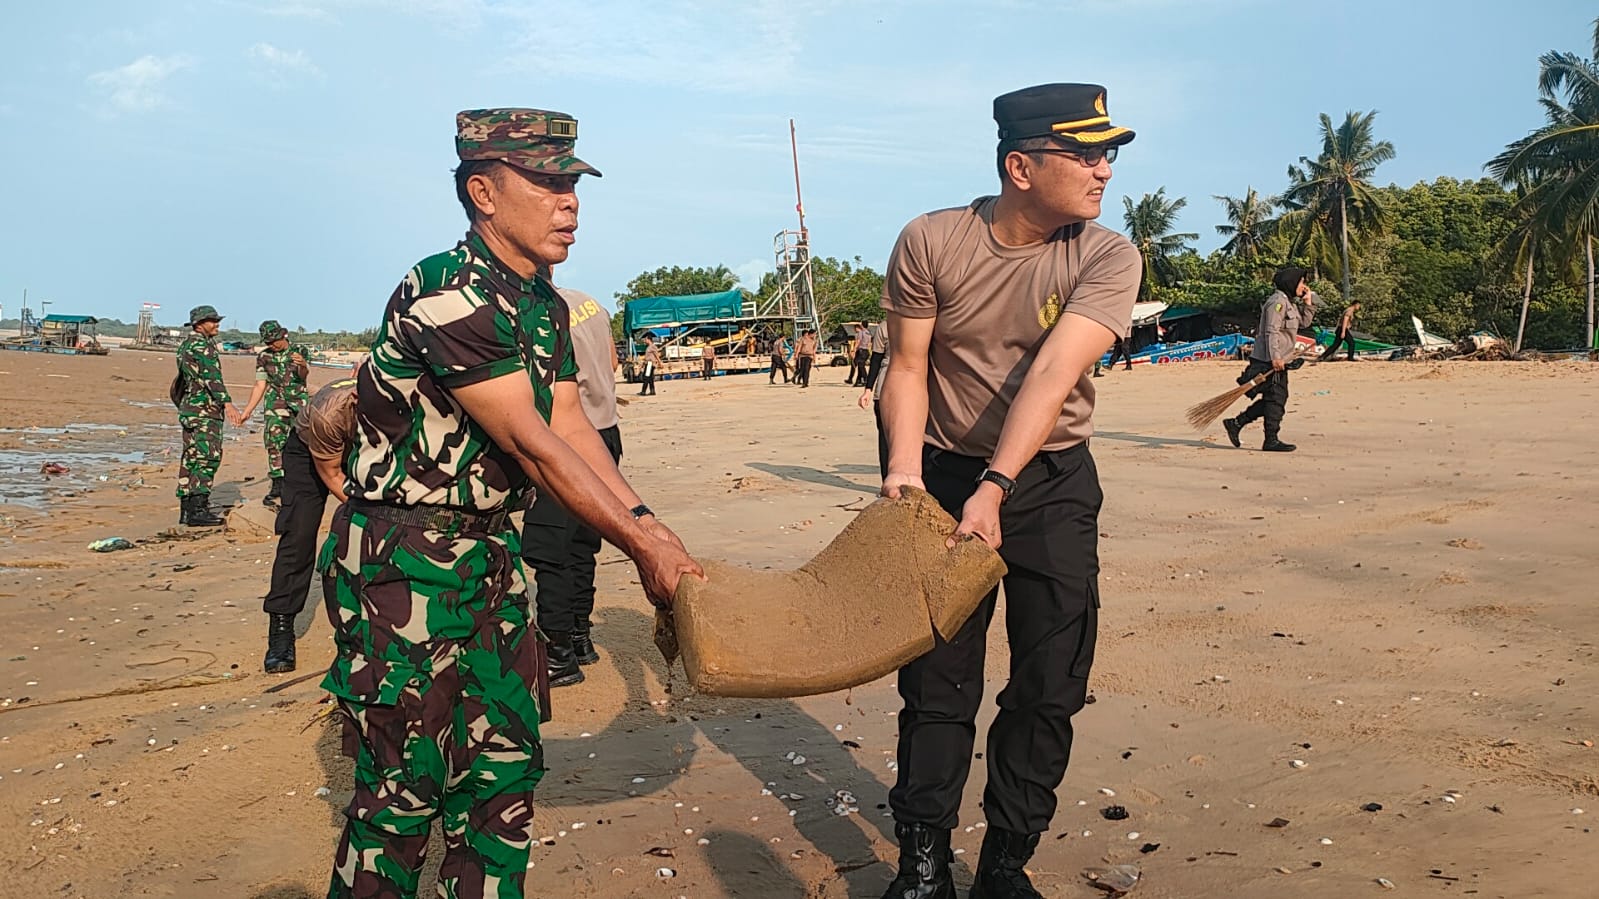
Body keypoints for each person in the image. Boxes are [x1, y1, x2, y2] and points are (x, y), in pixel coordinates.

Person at [320, 107, 702, 899]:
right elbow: (530, 440)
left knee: (500, 782)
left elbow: (573, 422)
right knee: (401, 796)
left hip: (493, 559)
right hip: (403, 569)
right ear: (483, 192)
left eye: (573, 183)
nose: (570, 202)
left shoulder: (545, 305)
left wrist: (650, 525)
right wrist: (642, 549)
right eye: (549, 181)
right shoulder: (446, 292)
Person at [878, 83, 1140, 899]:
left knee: (1049, 679)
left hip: (1050, 482)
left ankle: (1003, 865)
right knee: (935, 684)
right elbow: (908, 366)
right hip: (941, 471)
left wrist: (998, 485)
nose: (1104, 169)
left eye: (1110, 153)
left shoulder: (1105, 254)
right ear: (1020, 166)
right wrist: (904, 476)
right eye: (1086, 152)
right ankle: (922, 865)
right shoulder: (931, 241)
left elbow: (1053, 375)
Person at [522, 286, 622, 687]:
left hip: (567, 438)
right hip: (606, 432)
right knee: (582, 542)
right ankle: (581, 635)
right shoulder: (590, 304)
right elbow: (612, 362)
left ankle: (558, 653)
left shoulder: (533, 308)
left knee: (550, 551)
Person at [262, 365, 361, 674]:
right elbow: (331, 474)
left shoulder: (404, 403)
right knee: (299, 534)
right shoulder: (329, 413)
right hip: (310, 451)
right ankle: (281, 627)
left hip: (360, 450)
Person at [1223, 267, 1318, 453]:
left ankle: (1237, 423)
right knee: (1277, 399)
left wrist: (1308, 303)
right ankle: (1270, 440)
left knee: (1274, 399)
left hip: (1280, 359)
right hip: (1269, 360)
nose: (1303, 286)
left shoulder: (1289, 303)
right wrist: (1275, 358)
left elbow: (1303, 324)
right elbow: (1271, 331)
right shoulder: (1277, 303)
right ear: (1291, 283)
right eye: (1300, 282)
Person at [173, 305, 244, 527]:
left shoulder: (185, 345)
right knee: (208, 457)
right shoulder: (202, 346)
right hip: (205, 410)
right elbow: (212, 378)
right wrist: (228, 404)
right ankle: (198, 510)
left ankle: (186, 509)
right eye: (212, 321)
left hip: (189, 408)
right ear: (200, 324)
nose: (217, 325)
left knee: (191, 456)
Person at [237, 320, 311, 508]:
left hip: (298, 402)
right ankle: (278, 483)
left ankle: (302, 481)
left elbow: (303, 376)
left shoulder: (299, 350)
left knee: (303, 441)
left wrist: (302, 365)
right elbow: (260, 384)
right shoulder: (264, 357)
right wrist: (247, 411)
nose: (272, 345)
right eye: (268, 343)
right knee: (274, 441)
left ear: (282, 336)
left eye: (273, 341)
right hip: (275, 402)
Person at [858, 331, 891, 479]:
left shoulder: (884, 327)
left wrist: (868, 389)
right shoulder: (924, 323)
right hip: (910, 387)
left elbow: (876, 360)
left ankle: (888, 480)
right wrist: (868, 389)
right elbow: (876, 360)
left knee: (885, 437)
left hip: (887, 386)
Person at [846, 321, 872, 385]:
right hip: (866, 351)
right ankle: (858, 380)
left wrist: (854, 350)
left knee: (859, 365)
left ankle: (865, 379)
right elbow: (869, 343)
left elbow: (858, 341)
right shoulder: (869, 333)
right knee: (860, 365)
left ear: (862, 325)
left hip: (861, 351)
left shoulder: (861, 332)